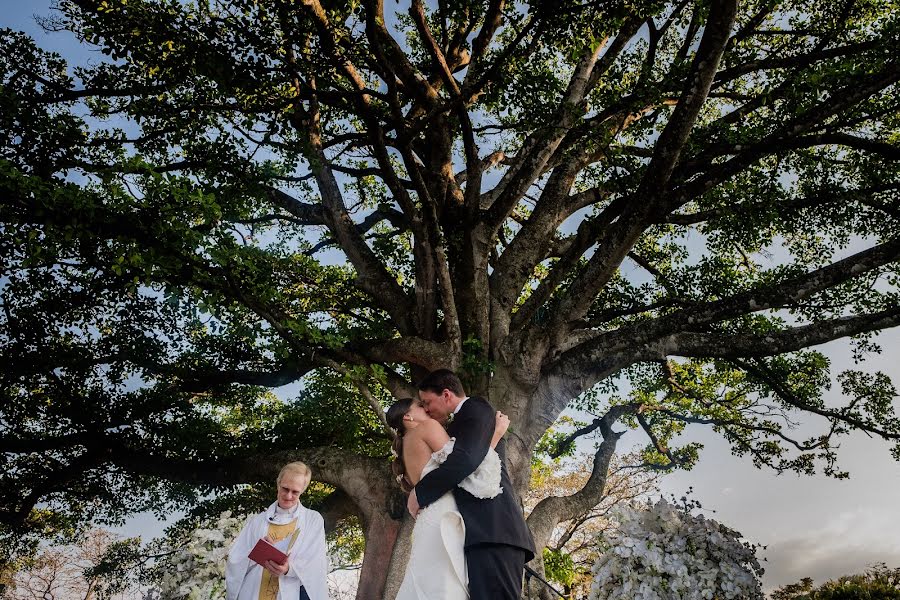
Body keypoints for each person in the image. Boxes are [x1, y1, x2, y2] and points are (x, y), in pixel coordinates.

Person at [408, 369, 536, 600]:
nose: (426, 409)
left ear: (446, 394)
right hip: (481, 534)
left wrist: (421, 492)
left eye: (428, 402)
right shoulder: (458, 423)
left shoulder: (475, 408)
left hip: (495, 531)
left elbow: (467, 459)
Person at [387, 395, 510, 600]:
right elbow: (468, 465)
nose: (427, 409)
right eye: (420, 405)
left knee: (431, 581)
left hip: (428, 518)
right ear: (408, 417)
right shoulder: (428, 428)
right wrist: (495, 433)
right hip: (444, 516)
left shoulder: (407, 445)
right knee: (444, 584)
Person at [225, 461, 328, 600]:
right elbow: (235, 559)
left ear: (302, 491)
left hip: (290, 592)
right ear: (278, 484)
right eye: (285, 488)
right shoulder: (257, 521)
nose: (289, 496)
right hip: (253, 591)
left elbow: (316, 562)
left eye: (295, 492)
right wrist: (258, 552)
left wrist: (288, 569)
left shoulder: (312, 520)